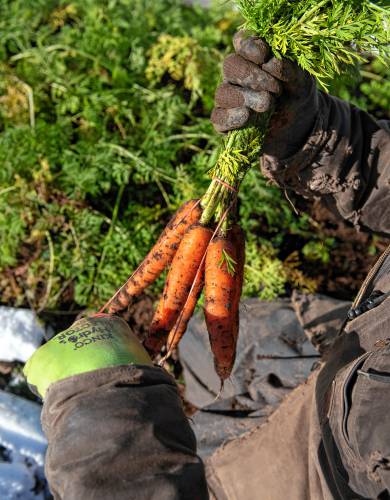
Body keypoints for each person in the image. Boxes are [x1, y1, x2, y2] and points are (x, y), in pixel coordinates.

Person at [24, 31, 390, 499]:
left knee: (202, 432)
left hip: (336, 476)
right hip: (353, 367)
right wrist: (311, 135)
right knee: (200, 342)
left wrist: (108, 428)